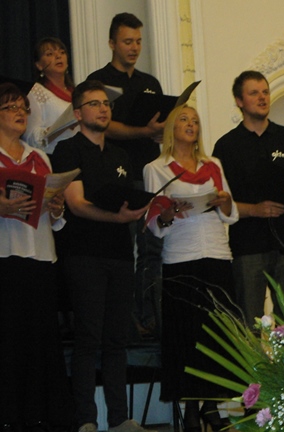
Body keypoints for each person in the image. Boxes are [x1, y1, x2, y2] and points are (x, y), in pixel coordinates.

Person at [51, 80, 159, 432]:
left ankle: (119, 420)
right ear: (77, 113)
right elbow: (76, 204)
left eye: (106, 104)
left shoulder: (121, 155)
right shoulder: (67, 150)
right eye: (94, 104)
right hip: (83, 255)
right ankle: (85, 422)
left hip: (119, 254)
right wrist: (118, 217)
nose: (103, 109)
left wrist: (146, 210)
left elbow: (128, 203)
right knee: (88, 339)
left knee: (116, 340)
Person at [143, 105, 237, 432]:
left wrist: (224, 201)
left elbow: (230, 214)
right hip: (181, 256)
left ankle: (212, 404)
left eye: (195, 120)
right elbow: (154, 222)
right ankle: (192, 406)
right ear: (171, 127)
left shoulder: (214, 165)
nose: (190, 124)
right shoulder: (156, 168)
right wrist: (168, 214)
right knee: (187, 333)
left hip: (216, 252)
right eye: (183, 119)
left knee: (215, 333)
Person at [0, 82, 73, 432]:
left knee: (41, 342)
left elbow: (55, 217)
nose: (20, 113)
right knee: (9, 343)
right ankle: (8, 422)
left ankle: (40, 420)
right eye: (11, 107)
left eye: (23, 108)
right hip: (6, 257)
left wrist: (56, 208)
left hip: (41, 257)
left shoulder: (39, 157)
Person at [213, 70, 284, 324]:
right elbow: (219, 203)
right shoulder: (226, 146)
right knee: (250, 323)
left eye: (265, 92)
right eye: (254, 93)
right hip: (247, 245)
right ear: (239, 101)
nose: (262, 97)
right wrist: (254, 209)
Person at [87, 12, 165, 339]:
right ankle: (127, 320)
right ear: (111, 43)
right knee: (123, 250)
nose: (134, 48)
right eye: (127, 41)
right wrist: (144, 131)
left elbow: (159, 126)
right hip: (116, 178)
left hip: (150, 175)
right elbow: (105, 126)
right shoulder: (98, 82)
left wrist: (162, 131)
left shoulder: (150, 83)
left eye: (138, 42)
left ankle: (152, 318)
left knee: (152, 248)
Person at [23, 37, 79, 154]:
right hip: (55, 157)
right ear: (39, 65)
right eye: (50, 54)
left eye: (62, 52)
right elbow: (30, 138)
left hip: (80, 154)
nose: (58, 56)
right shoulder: (36, 92)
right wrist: (63, 124)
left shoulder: (77, 92)